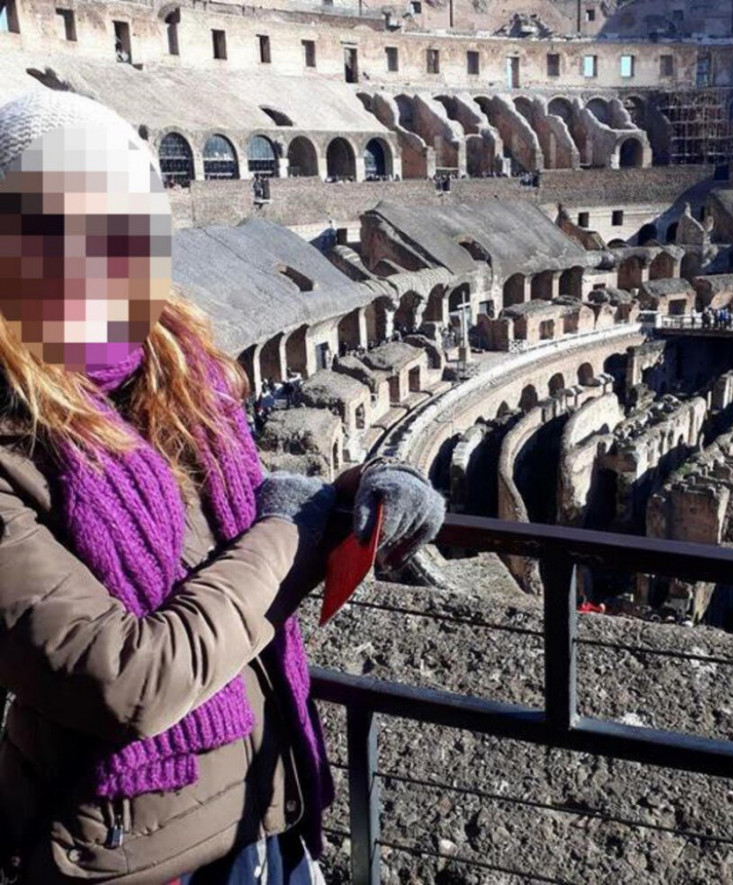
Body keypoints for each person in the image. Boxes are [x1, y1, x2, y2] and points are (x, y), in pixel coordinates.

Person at [0, 91, 446, 884]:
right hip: (129, 857)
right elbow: (130, 677)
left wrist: (358, 491)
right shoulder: (12, 445)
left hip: (268, 811)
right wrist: (295, 529)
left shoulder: (170, 380)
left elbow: (229, 532)